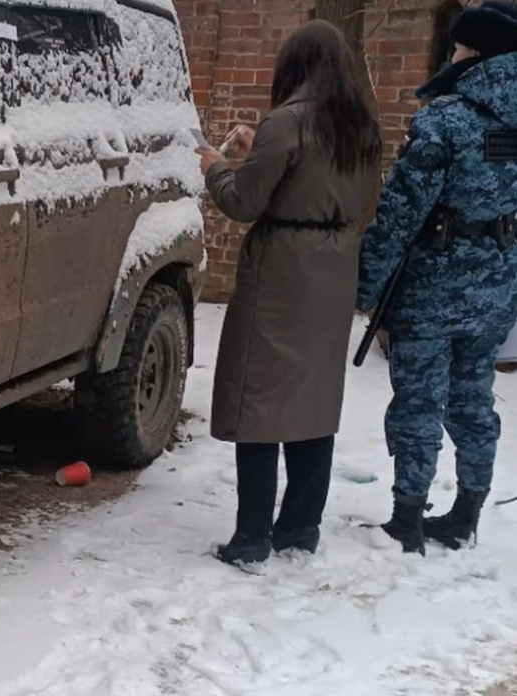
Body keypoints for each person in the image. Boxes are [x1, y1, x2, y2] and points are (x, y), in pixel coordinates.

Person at [196, 20, 382, 566]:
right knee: (312, 401)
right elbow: (314, 177)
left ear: (294, 66)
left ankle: (251, 536)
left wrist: (217, 167)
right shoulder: (361, 128)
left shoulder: (287, 121)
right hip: (334, 265)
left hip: (281, 271)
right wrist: (261, 153)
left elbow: (243, 202)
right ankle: (300, 528)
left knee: (260, 398)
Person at [357, 1, 517, 555]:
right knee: (474, 398)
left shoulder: (445, 120)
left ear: (473, 52)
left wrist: (365, 285)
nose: (451, 53)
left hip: (432, 287)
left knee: (420, 400)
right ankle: (468, 512)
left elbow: (400, 213)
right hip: (498, 284)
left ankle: (407, 518)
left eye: (458, 46)